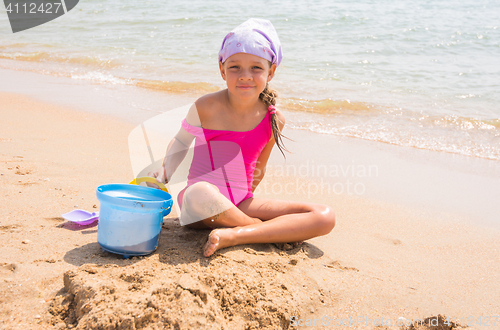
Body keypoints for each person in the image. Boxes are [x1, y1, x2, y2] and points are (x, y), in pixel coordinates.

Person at [148, 18, 335, 257]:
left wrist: (237, 204)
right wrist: (166, 171)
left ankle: (235, 232)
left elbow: (260, 168)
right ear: (222, 69)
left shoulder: (274, 119)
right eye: (235, 66)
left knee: (324, 216)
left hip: (241, 202)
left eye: (256, 67)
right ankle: (259, 229)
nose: (245, 75)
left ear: (271, 72)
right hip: (198, 207)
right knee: (198, 191)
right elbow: (182, 141)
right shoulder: (207, 106)